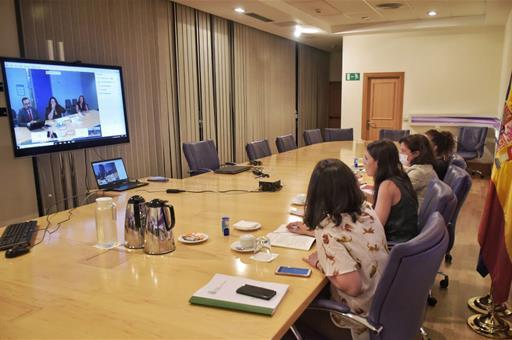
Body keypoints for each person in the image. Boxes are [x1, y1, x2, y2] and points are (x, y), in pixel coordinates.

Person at [286, 159, 389, 340]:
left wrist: (320, 261)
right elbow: (352, 237)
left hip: (360, 322)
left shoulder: (328, 232)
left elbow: (352, 287)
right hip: (385, 305)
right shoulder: (366, 210)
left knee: (289, 319)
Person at [363, 140, 419, 244]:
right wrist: (360, 195)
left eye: (366, 158)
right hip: (406, 239)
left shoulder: (387, 185)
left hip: (394, 245)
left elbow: (376, 227)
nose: (363, 162)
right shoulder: (400, 176)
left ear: (378, 162)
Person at [399, 134, 438, 208]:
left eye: (403, 151)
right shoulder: (425, 166)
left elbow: (397, 192)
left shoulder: (419, 172)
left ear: (416, 153)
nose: (400, 154)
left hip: (414, 214)